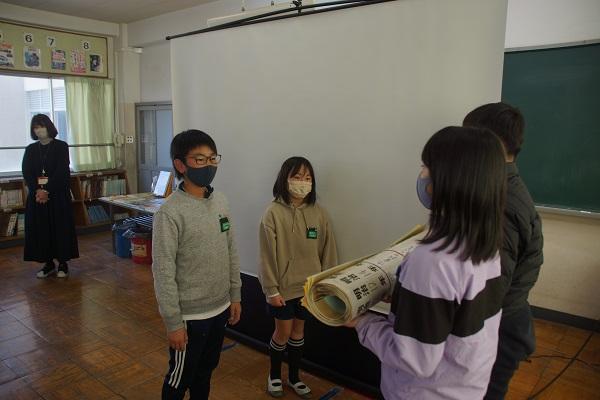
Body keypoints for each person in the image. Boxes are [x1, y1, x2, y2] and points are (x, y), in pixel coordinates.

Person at [345, 126, 506, 399]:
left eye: (425, 166)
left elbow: (415, 360)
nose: (421, 175)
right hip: (466, 387)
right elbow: (454, 311)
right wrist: (406, 296)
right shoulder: (484, 244)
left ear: (449, 178)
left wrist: (362, 323)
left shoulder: (432, 260)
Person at [152, 129, 242, 400]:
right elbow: (163, 271)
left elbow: (231, 250)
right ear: (181, 165)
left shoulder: (220, 201)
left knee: (205, 371)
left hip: (220, 308)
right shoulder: (170, 212)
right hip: (190, 317)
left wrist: (235, 295)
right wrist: (173, 323)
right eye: (200, 159)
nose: (209, 165)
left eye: (212, 158)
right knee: (180, 378)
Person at [464, 102, 544, 400]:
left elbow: (493, 287)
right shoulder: (503, 186)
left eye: (469, 138)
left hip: (500, 330)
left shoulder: (502, 201)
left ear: (492, 142)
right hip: (505, 321)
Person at [258, 157, 338, 398]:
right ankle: (274, 376)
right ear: (285, 179)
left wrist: (326, 285)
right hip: (282, 290)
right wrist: (271, 289)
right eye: (297, 177)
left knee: (298, 333)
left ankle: (294, 377)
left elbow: (328, 250)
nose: (303, 182)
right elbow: (266, 255)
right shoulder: (272, 213)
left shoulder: (319, 213)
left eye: (308, 178)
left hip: (308, 288)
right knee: (282, 333)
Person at [22, 114, 78, 278]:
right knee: (41, 230)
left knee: (60, 229)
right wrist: (38, 191)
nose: (39, 130)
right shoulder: (31, 149)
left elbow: (62, 172)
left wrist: (46, 190)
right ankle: (48, 263)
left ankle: (63, 263)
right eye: (35, 127)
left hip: (57, 195)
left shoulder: (61, 146)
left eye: (42, 126)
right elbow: (27, 172)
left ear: (49, 127)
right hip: (37, 198)